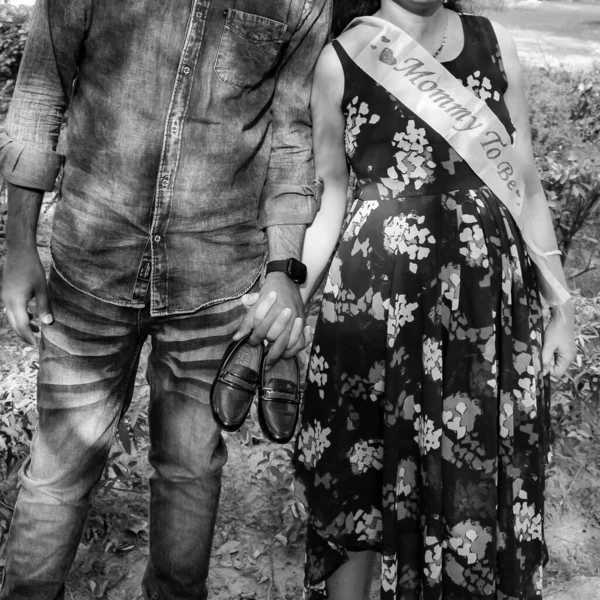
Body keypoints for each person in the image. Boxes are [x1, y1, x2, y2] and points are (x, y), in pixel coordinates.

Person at [0, 1, 331, 598]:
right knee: (56, 476)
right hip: (90, 267)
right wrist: (19, 247)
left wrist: (284, 270)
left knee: (190, 475)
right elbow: (41, 89)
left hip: (216, 280)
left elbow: (291, 136)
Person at [292, 0, 577, 598]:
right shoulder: (341, 60)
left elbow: (523, 181)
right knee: (359, 475)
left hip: (483, 318)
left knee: (469, 479)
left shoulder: (494, 41)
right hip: (374, 316)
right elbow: (331, 200)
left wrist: (562, 306)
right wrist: (291, 296)